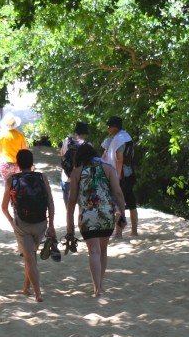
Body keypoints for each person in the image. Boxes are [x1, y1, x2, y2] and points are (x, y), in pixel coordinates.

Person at [66, 143, 127, 297]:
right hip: (107, 214)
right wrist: (123, 214)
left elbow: (72, 200)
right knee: (103, 249)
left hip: (87, 215)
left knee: (93, 251)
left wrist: (70, 225)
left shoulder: (76, 172)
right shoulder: (108, 169)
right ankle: (100, 283)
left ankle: (96, 289)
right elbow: (118, 193)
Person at [1, 149, 56, 302]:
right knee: (31, 256)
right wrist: (51, 225)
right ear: (32, 163)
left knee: (29, 258)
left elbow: (4, 207)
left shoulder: (11, 179)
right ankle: (26, 288)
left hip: (22, 224)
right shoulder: (42, 177)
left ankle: (37, 293)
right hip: (41, 223)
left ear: (17, 163)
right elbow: (50, 202)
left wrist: (12, 221)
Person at [101, 116, 138, 237]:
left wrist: (116, 177)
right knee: (132, 204)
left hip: (122, 176)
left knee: (119, 204)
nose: (108, 129)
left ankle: (118, 233)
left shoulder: (118, 140)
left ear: (115, 127)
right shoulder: (127, 137)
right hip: (130, 173)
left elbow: (119, 160)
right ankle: (134, 231)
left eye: (109, 127)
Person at [59, 121, 89, 205]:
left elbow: (62, 155)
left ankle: (69, 218)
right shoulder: (88, 145)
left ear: (75, 132)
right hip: (81, 178)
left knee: (68, 206)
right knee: (81, 206)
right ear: (86, 134)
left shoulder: (66, 141)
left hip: (66, 177)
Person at [0, 113, 28, 180]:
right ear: (15, 124)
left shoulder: (1, 135)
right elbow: (25, 151)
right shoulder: (20, 135)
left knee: (7, 185)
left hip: (5, 163)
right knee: (17, 185)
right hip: (17, 163)